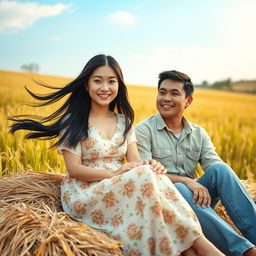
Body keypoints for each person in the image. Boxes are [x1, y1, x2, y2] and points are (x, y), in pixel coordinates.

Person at [9, 55, 223, 256]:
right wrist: (117, 172)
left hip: (120, 183)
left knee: (151, 174)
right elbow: (74, 170)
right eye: (98, 81)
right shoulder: (73, 121)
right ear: (86, 84)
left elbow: (135, 162)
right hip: (85, 190)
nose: (105, 87)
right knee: (144, 177)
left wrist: (150, 165)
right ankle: (203, 246)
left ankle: (191, 247)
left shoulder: (125, 121)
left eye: (111, 81)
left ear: (118, 85)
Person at [135, 70, 256, 256]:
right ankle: (245, 251)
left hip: (197, 200)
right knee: (181, 189)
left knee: (220, 169)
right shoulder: (143, 130)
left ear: (188, 101)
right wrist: (185, 181)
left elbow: (215, 167)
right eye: (162, 92)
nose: (166, 98)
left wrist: (195, 183)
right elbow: (145, 174)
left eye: (174, 93)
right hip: (163, 201)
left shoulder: (199, 133)